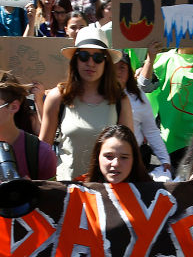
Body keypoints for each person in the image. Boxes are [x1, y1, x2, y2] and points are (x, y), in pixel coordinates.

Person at [40, 29, 133, 180]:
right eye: (83, 56)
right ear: (75, 60)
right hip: (68, 191)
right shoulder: (57, 97)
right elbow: (42, 151)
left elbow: (128, 151)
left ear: (106, 62)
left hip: (107, 191)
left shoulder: (120, 100)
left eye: (98, 57)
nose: (90, 63)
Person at [115, 53, 171, 173]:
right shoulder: (98, 96)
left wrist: (164, 159)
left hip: (134, 159)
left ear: (129, 72)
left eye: (122, 67)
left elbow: (151, 130)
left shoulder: (138, 96)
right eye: (113, 67)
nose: (118, 71)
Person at [84, 124, 153, 184]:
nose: (115, 164)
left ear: (134, 159)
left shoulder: (156, 194)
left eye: (124, 157)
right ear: (97, 156)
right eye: (109, 156)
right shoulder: (78, 191)